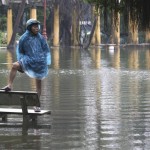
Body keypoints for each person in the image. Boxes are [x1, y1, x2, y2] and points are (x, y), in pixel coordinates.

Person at [1, 19, 51, 112]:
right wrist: (22, 60)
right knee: (15, 66)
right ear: (29, 27)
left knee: (38, 85)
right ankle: (10, 85)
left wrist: (47, 61)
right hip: (27, 61)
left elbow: (46, 49)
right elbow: (20, 51)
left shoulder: (40, 37)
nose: (37, 28)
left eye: (37, 26)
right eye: (34, 26)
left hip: (39, 63)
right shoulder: (24, 37)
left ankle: (37, 105)